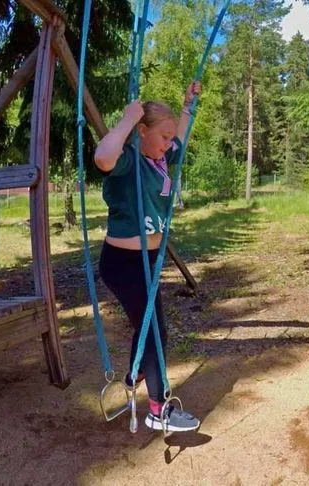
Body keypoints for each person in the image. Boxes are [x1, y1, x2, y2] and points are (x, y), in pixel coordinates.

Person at [93, 81, 202, 433]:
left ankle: (136, 371)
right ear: (142, 131)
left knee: (154, 329)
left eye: (169, 139)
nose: (168, 145)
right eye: (162, 137)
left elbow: (180, 140)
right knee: (155, 332)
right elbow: (102, 157)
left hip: (150, 262)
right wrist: (126, 121)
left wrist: (187, 107)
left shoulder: (159, 160)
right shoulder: (129, 162)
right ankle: (159, 409)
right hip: (123, 265)